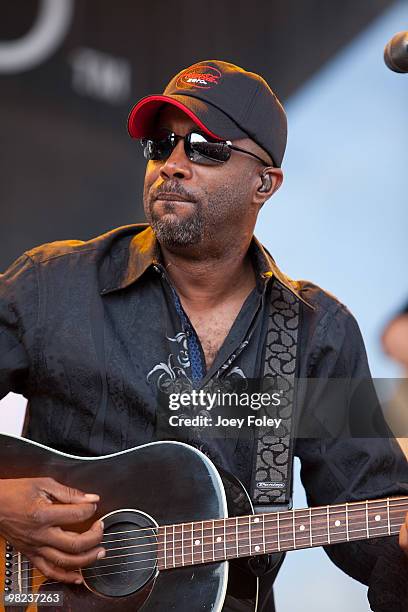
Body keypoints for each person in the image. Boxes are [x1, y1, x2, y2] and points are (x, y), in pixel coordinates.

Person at [0, 60, 407, 611]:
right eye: (161, 145)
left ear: (264, 183)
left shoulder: (317, 330)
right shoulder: (52, 285)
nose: (172, 165)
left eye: (204, 147)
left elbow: (370, 519)